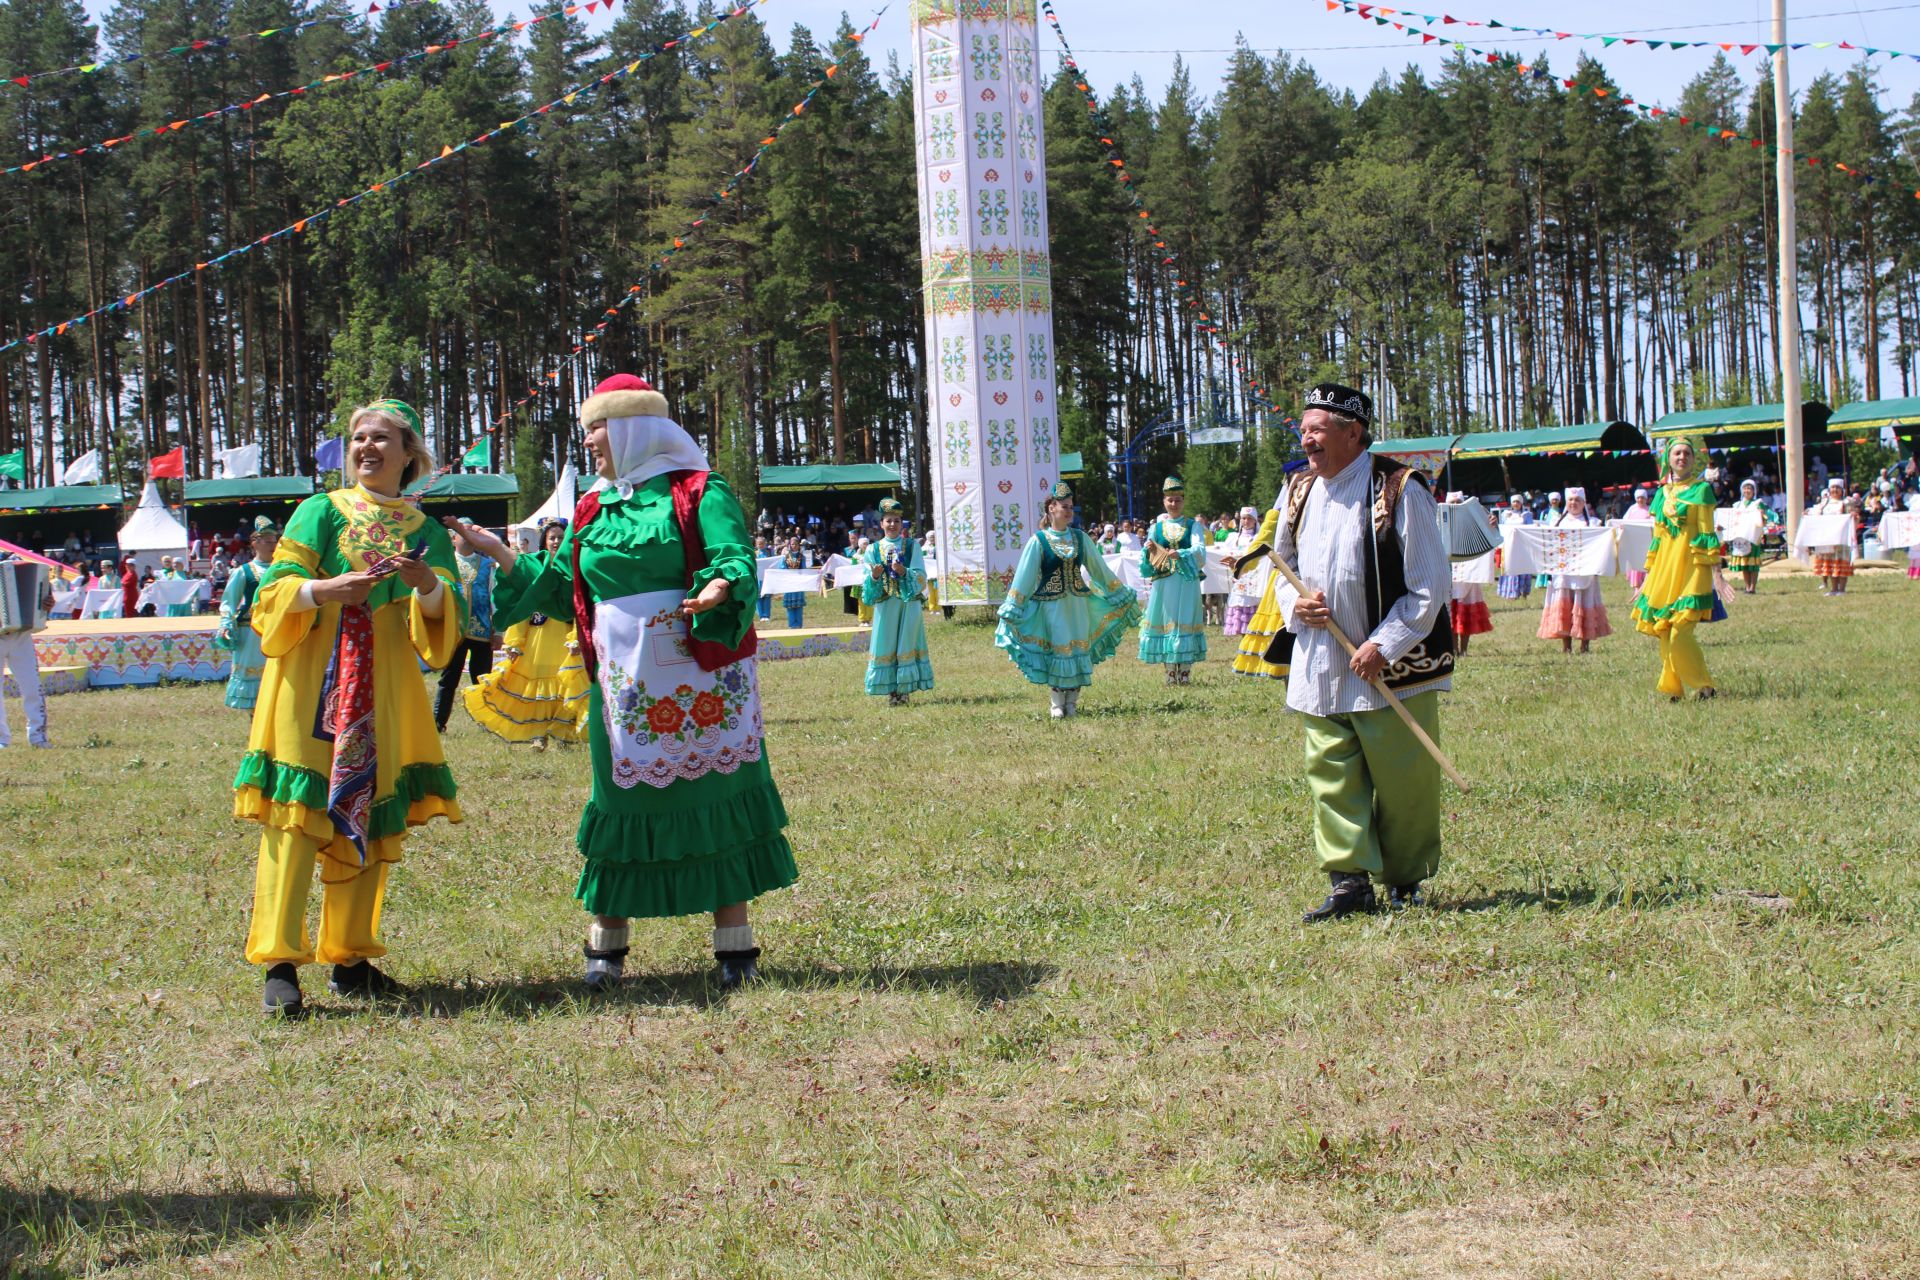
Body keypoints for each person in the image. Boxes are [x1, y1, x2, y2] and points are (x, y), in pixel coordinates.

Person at [452, 374, 795, 992]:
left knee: (717, 795)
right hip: (624, 685)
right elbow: (560, 586)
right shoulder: (592, 506)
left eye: (595, 429)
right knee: (620, 800)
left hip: (701, 672)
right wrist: (496, 553)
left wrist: (719, 585)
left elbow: (734, 554)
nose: (587, 443)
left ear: (634, 428)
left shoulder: (698, 491)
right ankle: (606, 949)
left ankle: (735, 949)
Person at [235, 399, 464, 1015]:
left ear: (409, 455)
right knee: (295, 817)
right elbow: (273, 591)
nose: (367, 448)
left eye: (381, 439)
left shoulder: (426, 532)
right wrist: (322, 590)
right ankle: (280, 962)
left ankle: (350, 958)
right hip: (310, 677)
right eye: (359, 438)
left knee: (371, 809)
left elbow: (444, 623)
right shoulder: (319, 511)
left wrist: (428, 586)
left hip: (384, 683)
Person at [1269, 384, 1453, 922]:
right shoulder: (1298, 490)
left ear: (1354, 432)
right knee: (1330, 771)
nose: (1306, 437)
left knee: (1404, 779)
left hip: (1390, 668)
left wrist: (1383, 644)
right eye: (1303, 429)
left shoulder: (1400, 489)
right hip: (1322, 662)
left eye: (1317, 428)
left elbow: (1428, 585)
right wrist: (1294, 607)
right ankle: (1349, 882)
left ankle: (1405, 880)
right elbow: (1280, 565)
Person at [995, 482, 1142, 718]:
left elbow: (1099, 570)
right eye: (1065, 507)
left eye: (1071, 507)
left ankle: (1072, 702)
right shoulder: (1039, 541)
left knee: (1077, 649)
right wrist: (1014, 605)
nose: (1069, 511)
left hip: (1079, 606)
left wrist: (1119, 593)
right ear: (1051, 508)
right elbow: (1025, 576)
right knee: (1059, 651)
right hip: (1051, 607)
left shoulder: (1081, 538)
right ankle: (1056, 702)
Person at [1631, 435, 1719, 702]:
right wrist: (1647, 578)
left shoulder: (1702, 490)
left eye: (1687, 454)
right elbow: (1657, 538)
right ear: (1668, 460)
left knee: (1681, 629)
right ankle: (1674, 687)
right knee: (1666, 630)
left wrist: (1718, 574)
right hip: (1664, 570)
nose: (1682, 457)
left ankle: (1705, 685)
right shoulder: (1661, 494)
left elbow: (1707, 532)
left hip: (1692, 569)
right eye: (1677, 453)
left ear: (1693, 459)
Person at [860, 498, 935, 706]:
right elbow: (865, 587)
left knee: (906, 643)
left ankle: (904, 690)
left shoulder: (912, 547)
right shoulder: (872, 550)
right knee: (887, 644)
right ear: (881, 524)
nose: (892, 524)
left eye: (896, 521)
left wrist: (905, 572)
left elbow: (921, 576)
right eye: (888, 521)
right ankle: (892, 691)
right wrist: (875, 576)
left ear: (901, 524)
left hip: (908, 604)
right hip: (886, 605)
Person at [1137, 477, 1209, 685]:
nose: (1173, 504)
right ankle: (1170, 672)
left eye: (1177, 500)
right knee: (1167, 622)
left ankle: (1184, 673)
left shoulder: (1192, 526)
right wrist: (1150, 550)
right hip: (1164, 582)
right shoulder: (1156, 527)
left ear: (1183, 501)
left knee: (1184, 621)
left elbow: (1200, 552)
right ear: (1164, 501)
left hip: (1186, 581)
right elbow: (1145, 556)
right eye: (1170, 500)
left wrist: (1182, 553)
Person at [212, 516, 280, 711]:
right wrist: (226, 625)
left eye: (275, 541)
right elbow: (228, 602)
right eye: (268, 541)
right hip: (251, 634)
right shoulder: (244, 572)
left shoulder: (283, 568)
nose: (272, 545)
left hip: (278, 629)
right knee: (256, 683)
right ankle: (255, 725)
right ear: (255, 543)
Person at [434, 524, 497, 731]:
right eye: (461, 534)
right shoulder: (445, 564)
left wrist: (498, 631)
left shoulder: (488, 565)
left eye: (469, 533)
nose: (466, 538)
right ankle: (438, 722)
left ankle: (486, 722)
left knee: (482, 679)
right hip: (455, 630)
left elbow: (494, 598)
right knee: (449, 679)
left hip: (482, 630)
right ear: (453, 539)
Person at [1536, 487, 1611, 655]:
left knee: (1584, 604)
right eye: (1570, 500)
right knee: (1565, 607)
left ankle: (1585, 646)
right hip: (1563, 573)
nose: (1573, 503)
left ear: (1584, 503)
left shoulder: (1592, 523)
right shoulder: (1558, 524)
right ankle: (1566, 646)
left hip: (1585, 573)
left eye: (1577, 500)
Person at [0, 549, 53, 750]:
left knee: (32, 686)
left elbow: (44, 594)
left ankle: (38, 737)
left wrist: (47, 603)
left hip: (22, 636)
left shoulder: (21, 564)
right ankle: (2, 739)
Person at [1444, 491, 1493, 655]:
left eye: (1459, 502)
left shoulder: (1474, 523)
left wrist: (1492, 523)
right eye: (1453, 502)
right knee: (1450, 614)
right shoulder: (1440, 522)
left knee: (1465, 614)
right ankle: (1452, 648)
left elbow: (1490, 537)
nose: (1456, 506)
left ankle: (1463, 649)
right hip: (1448, 574)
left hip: (1469, 574)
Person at [1723, 478, 1779, 595]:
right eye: (1745, 488)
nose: (1747, 491)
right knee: (1744, 563)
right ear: (1742, 490)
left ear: (1754, 491)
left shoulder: (1758, 503)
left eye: (1749, 488)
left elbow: (1769, 516)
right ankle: (1747, 586)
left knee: (1752, 564)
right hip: (1741, 536)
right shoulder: (1737, 505)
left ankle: (1753, 587)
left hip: (1753, 536)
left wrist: (1762, 514)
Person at [1222, 507, 1265, 638]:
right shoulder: (1233, 538)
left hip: (1254, 580)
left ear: (1255, 521)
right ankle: (1243, 641)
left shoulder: (1259, 538)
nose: (1246, 521)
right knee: (1240, 609)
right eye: (1244, 518)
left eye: (1250, 518)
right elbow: (1225, 554)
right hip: (1238, 580)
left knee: (1253, 609)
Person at [1810, 477, 1855, 596]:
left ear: (1842, 490)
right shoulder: (1824, 504)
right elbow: (1815, 514)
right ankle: (1834, 588)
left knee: (1840, 562)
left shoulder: (1846, 503)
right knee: (1830, 564)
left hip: (1841, 539)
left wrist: (1853, 516)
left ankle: (1842, 589)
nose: (1834, 490)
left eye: (1837, 488)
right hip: (1828, 538)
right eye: (1832, 488)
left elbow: (1853, 518)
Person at [1496, 495, 1534, 598]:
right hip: (1509, 545)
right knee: (1510, 567)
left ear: (1521, 503)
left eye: (1518, 502)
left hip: (1522, 545)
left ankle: (1523, 591)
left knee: (1522, 568)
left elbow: (1530, 529)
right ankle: (1509, 592)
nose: (1515, 504)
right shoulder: (1506, 515)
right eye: (1514, 502)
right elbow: (1502, 530)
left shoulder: (1526, 515)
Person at [1620, 488, 1656, 591]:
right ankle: (1636, 586)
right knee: (1635, 562)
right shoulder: (1632, 509)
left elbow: (1654, 522)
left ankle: (1646, 585)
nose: (1640, 500)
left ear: (1646, 499)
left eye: (1642, 498)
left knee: (1645, 561)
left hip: (1646, 541)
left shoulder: (1650, 509)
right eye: (1639, 498)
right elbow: (1624, 521)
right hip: (1634, 541)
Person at [780, 541, 811, 629]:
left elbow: (804, 568)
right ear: (790, 545)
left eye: (796, 544)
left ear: (798, 546)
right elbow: (782, 568)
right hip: (788, 582)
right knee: (790, 605)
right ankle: (792, 624)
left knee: (799, 604)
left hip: (798, 582)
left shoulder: (801, 557)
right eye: (792, 544)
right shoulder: (785, 557)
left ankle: (799, 624)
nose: (794, 546)